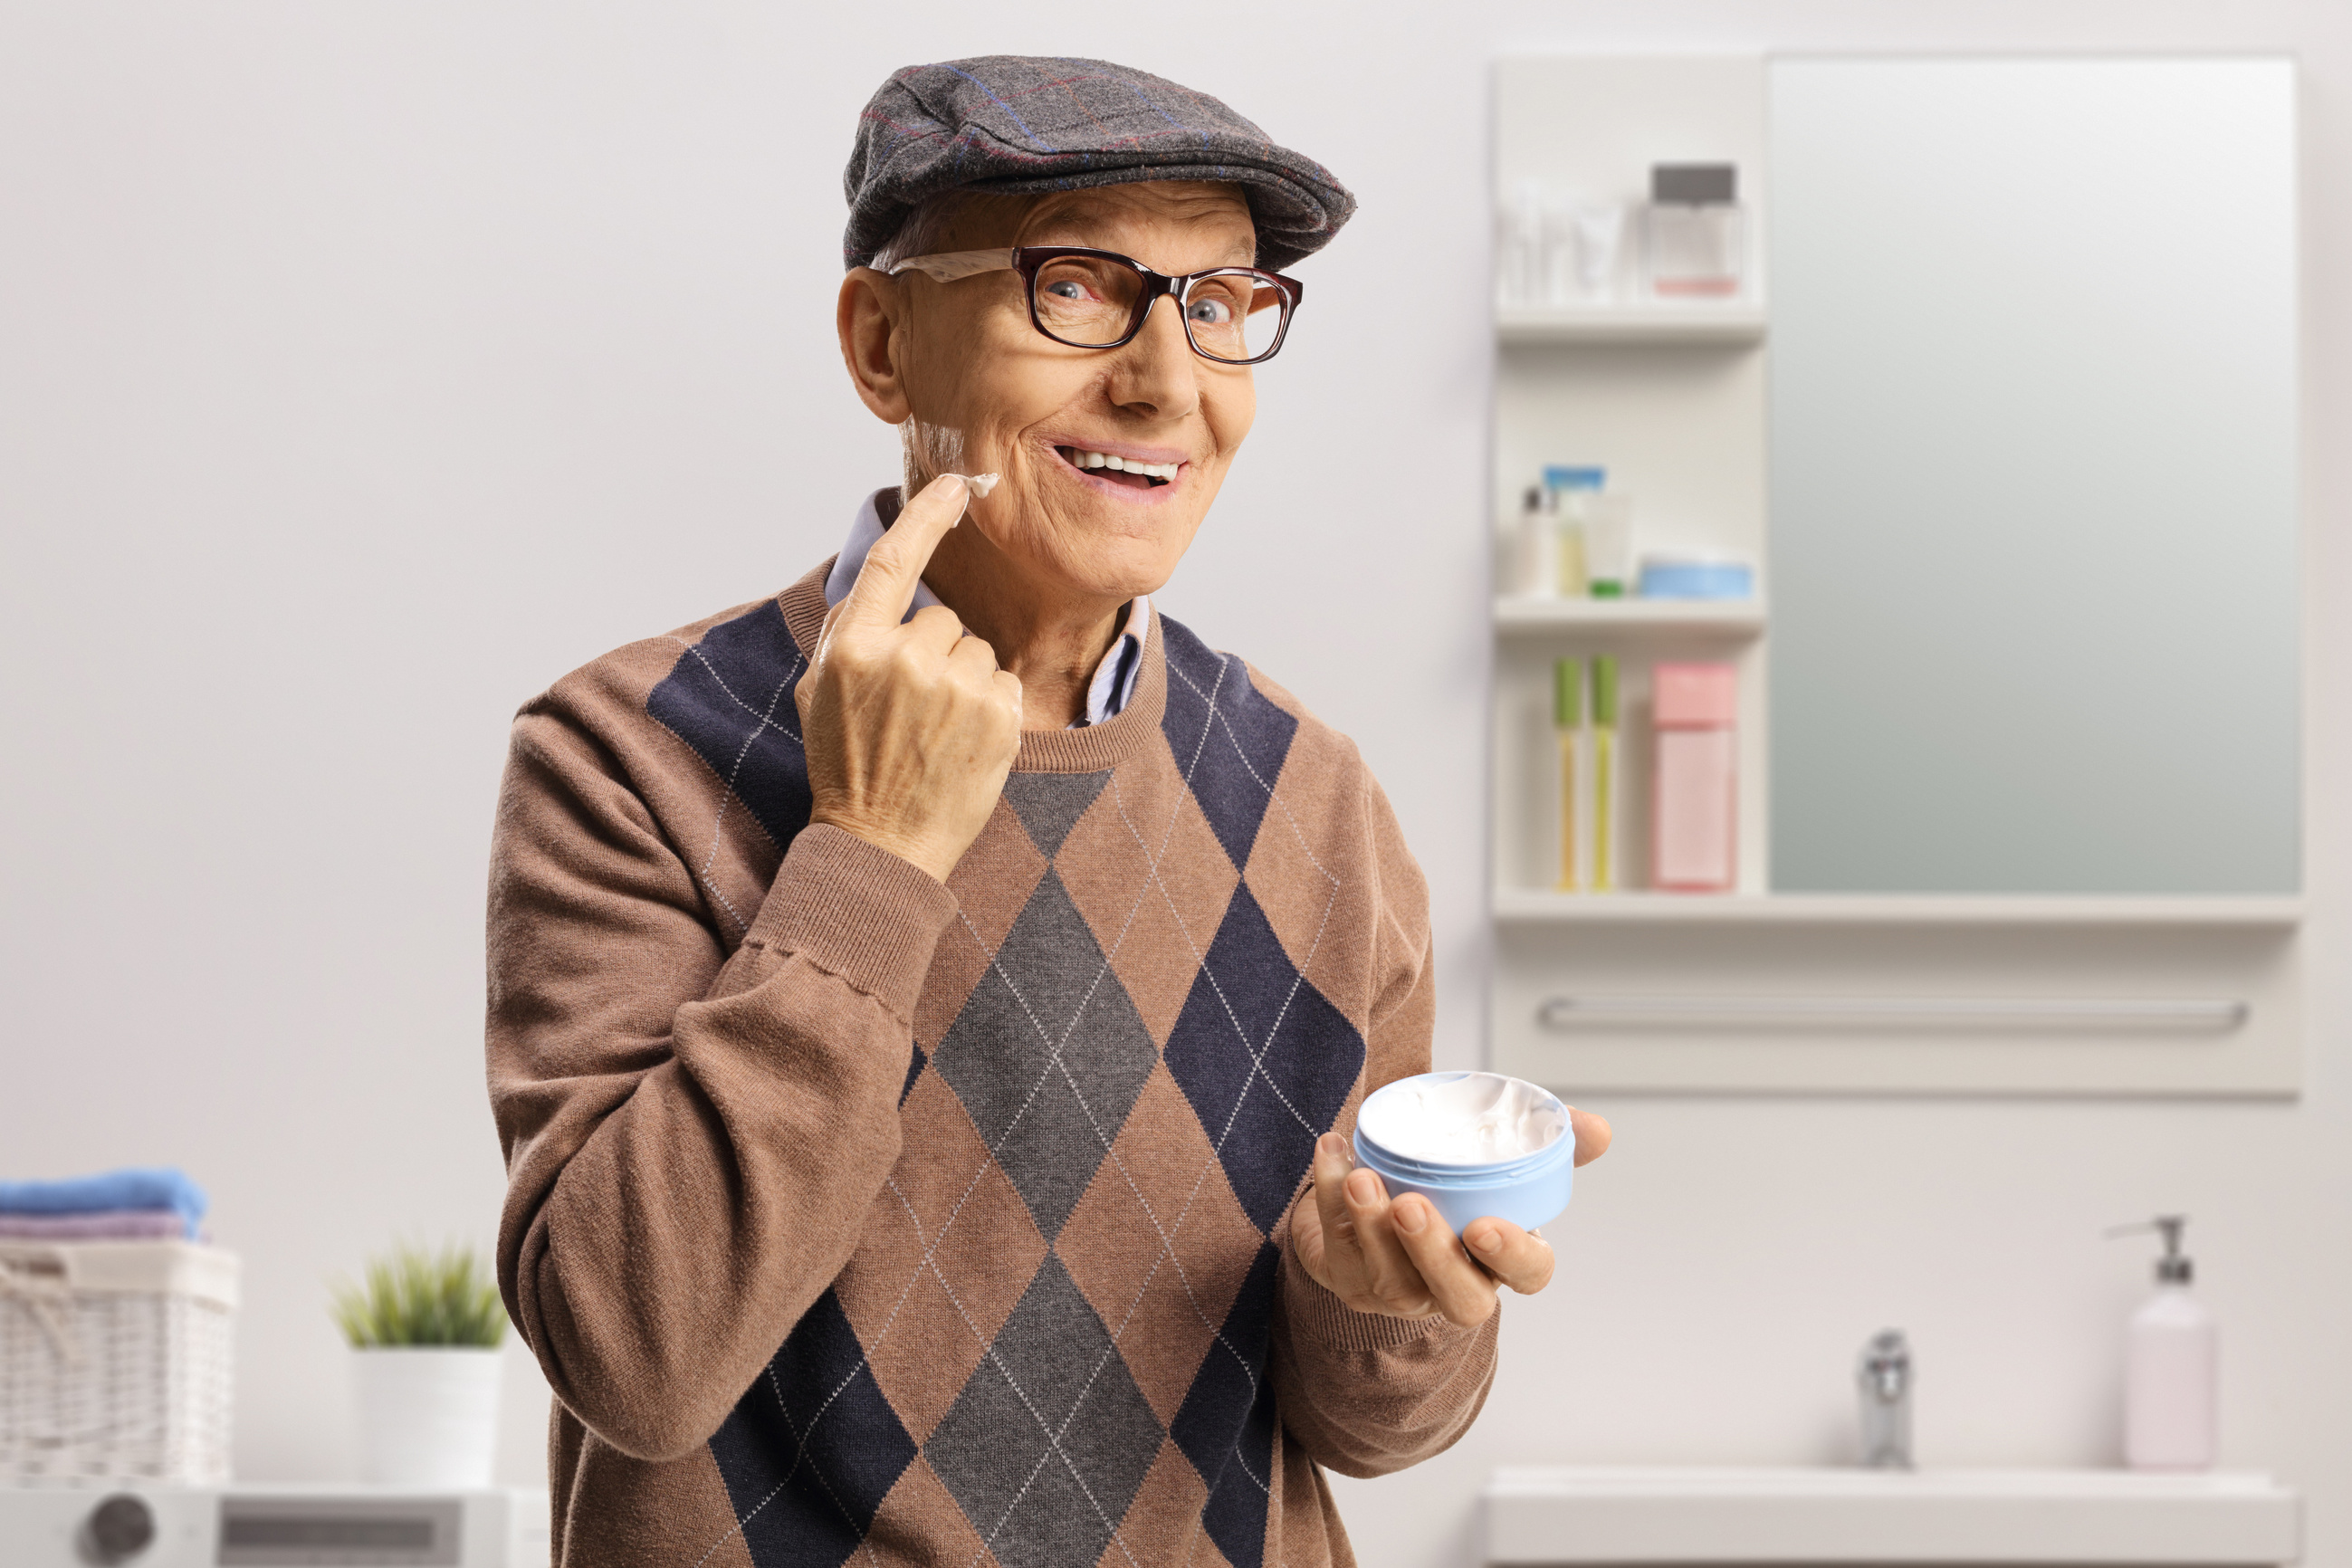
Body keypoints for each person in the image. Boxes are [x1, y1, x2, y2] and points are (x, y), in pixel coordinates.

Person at [486, 55, 1611, 1568]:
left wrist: (1386, 1305)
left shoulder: (1316, 799)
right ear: (882, 345)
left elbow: (1368, 1431)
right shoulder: (629, 752)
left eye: (1219, 306)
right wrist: (871, 852)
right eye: (1077, 288)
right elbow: (639, 1351)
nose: (1166, 381)